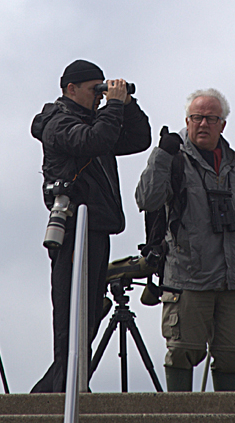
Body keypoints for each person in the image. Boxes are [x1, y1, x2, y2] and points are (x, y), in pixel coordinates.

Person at [135, 88, 235, 392]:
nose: (203, 124)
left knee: (231, 357)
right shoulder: (172, 158)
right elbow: (146, 198)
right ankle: (179, 417)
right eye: (197, 118)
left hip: (233, 282)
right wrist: (162, 155)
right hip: (188, 279)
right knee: (182, 351)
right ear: (187, 121)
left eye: (211, 118)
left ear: (222, 125)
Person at [30, 59, 151, 392]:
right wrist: (113, 105)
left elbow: (139, 139)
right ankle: (63, 390)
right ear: (71, 89)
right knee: (73, 315)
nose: (100, 96)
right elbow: (92, 142)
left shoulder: (99, 122)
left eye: (103, 89)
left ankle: (63, 386)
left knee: (88, 316)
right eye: (93, 90)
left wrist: (126, 102)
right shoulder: (57, 122)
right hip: (73, 229)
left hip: (97, 227)